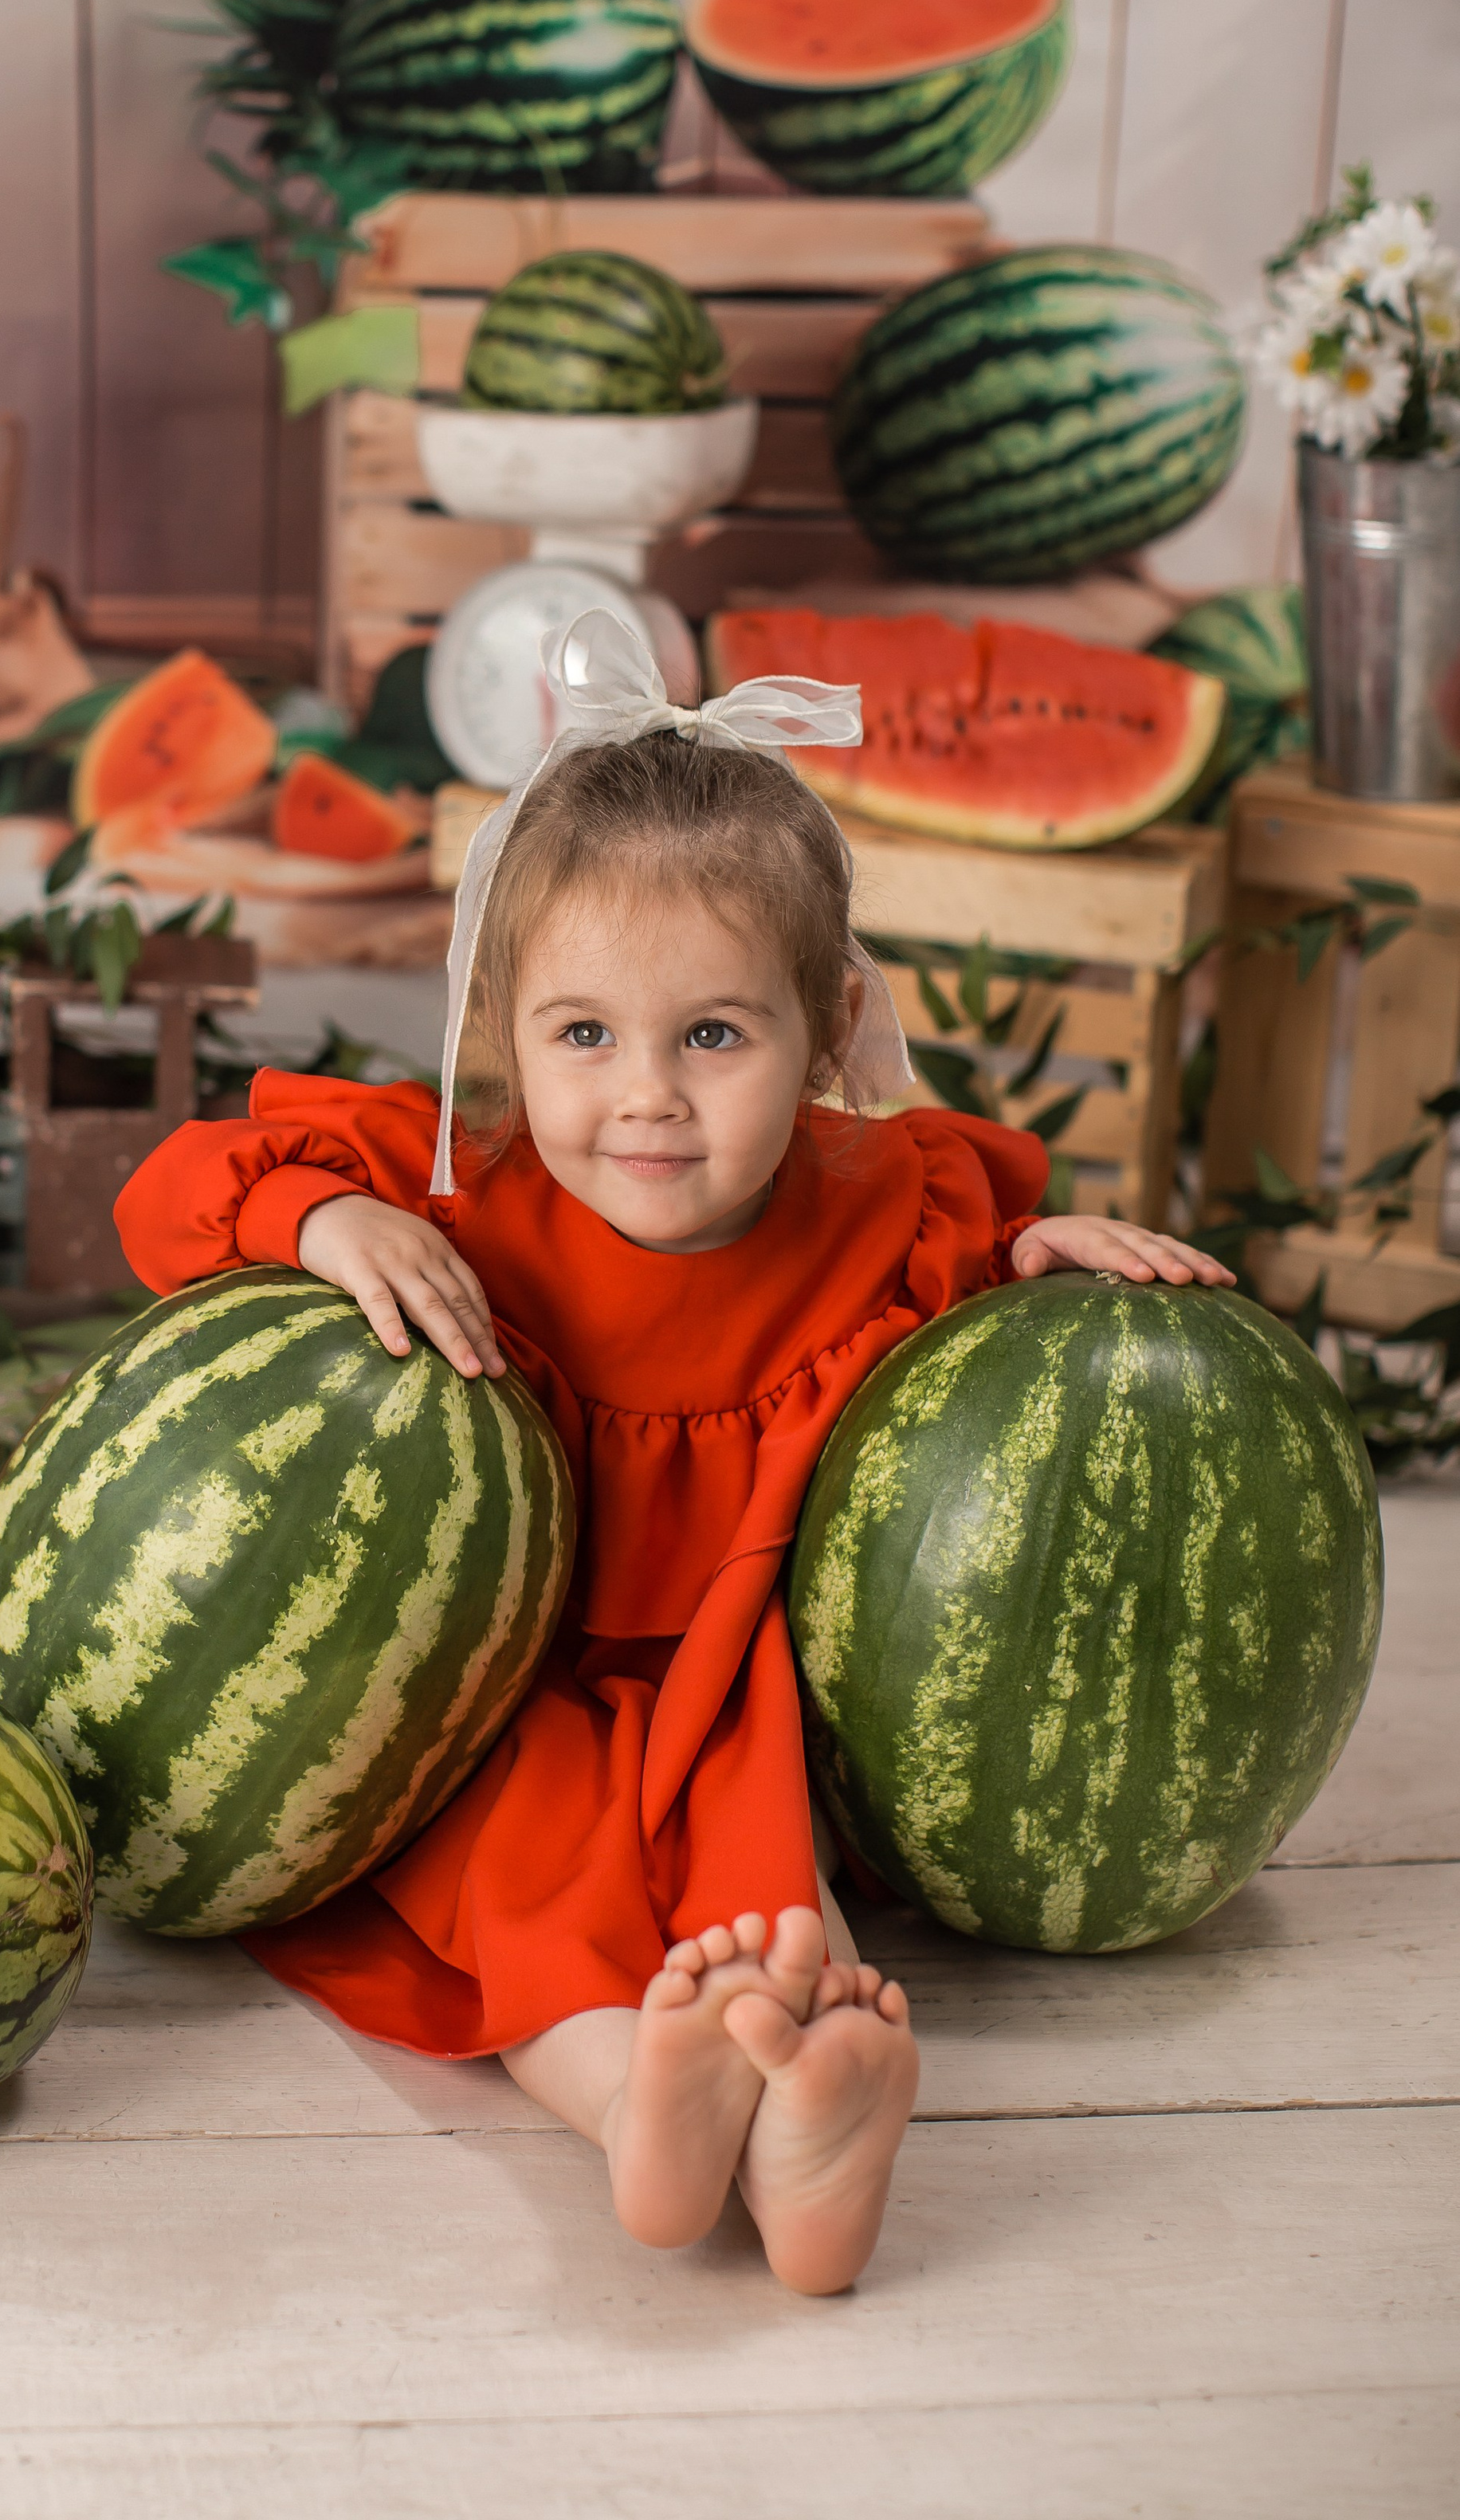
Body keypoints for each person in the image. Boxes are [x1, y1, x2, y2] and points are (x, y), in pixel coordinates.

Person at [116, 612, 1232, 2294]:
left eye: (712, 1036)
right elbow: (174, 1193)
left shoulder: (886, 1204)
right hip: (504, 1677)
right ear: (497, 1019)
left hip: (746, 1673)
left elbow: (972, 1286)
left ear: (825, 1022)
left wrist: (1039, 1262)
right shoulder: (457, 1194)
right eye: (583, 1037)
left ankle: (801, 2120)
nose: (641, 1099)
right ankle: (638, 2109)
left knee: (763, 1886)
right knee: (520, 1878)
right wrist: (320, 1209)